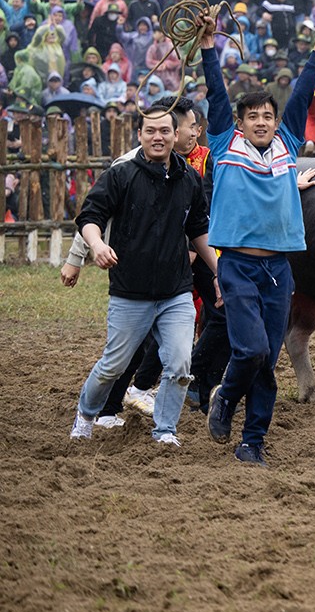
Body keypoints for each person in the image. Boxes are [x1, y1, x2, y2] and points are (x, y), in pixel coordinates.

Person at [199, 11, 315, 468]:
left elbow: (302, 94)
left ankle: (252, 441)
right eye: (253, 116)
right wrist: (206, 47)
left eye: (267, 115)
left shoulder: (288, 146)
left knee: (268, 360)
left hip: (279, 269)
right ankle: (223, 400)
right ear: (238, 123)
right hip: (236, 265)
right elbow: (215, 93)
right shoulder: (224, 145)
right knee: (253, 349)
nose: (262, 121)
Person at [70, 104, 217, 445]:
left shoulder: (188, 178)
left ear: (176, 134)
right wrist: (96, 245)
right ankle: (86, 414)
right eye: (150, 130)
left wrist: (218, 271)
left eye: (165, 130)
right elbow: (90, 215)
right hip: (129, 291)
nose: (158, 137)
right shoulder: (122, 174)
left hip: (175, 290)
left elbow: (198, 228)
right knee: (113, 366)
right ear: (139, 135)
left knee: (180, 365)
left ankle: (165, 430)